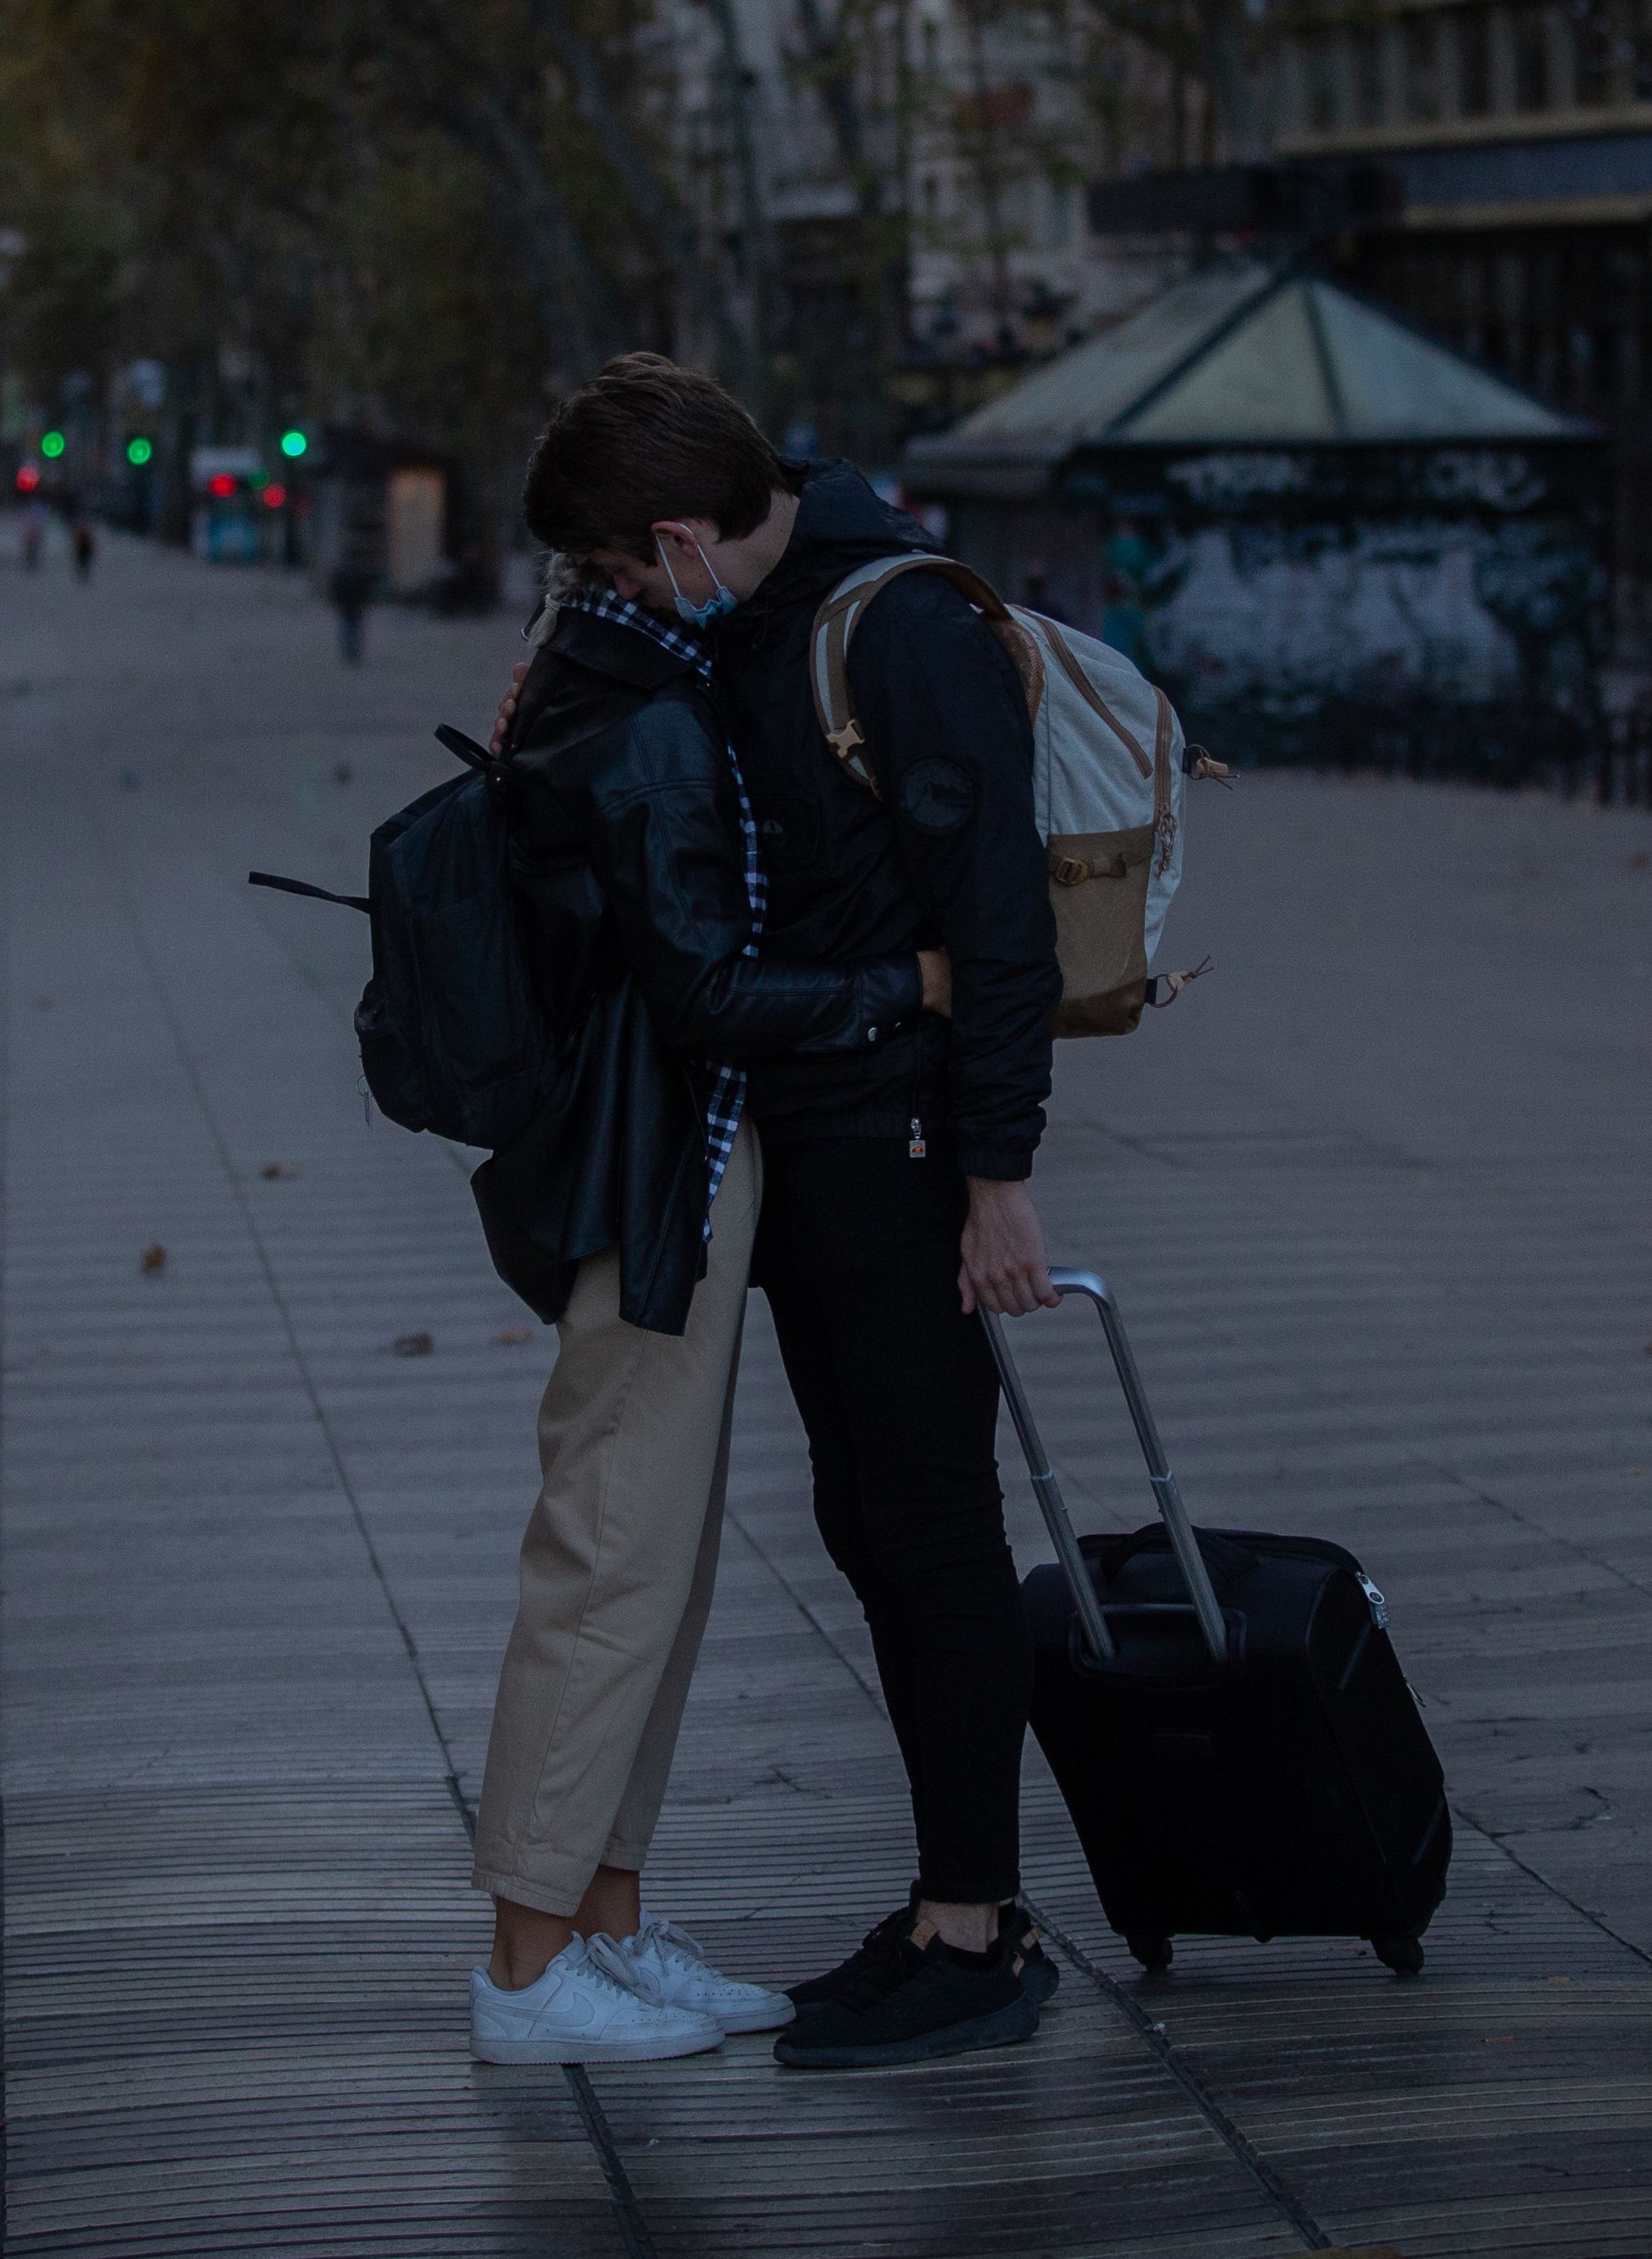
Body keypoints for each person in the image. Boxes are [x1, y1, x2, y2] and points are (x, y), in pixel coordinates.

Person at [518, 354, 1067, 2074]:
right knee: (869, 1523)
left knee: (934, 1523)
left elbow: (1002, 921)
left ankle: (979, 1927)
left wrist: (998, 1175)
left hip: (906, 1147)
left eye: (620, 568)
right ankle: (942, 1905)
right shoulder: (742, 615)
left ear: (682, 535)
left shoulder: (902, 627)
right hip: (807, 1142)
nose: (619, 596)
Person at [460, 381, 947, 2066]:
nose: (609, 586)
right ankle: (527, 1965)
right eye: (611, 568)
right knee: (612, 1546)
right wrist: (911, 980)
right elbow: (709, 992)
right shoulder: (643, 701)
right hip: (654, 1157)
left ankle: (603, 1921)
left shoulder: (619, 665)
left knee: (652, 1550)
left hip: (664, 1149)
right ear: (676, 541)